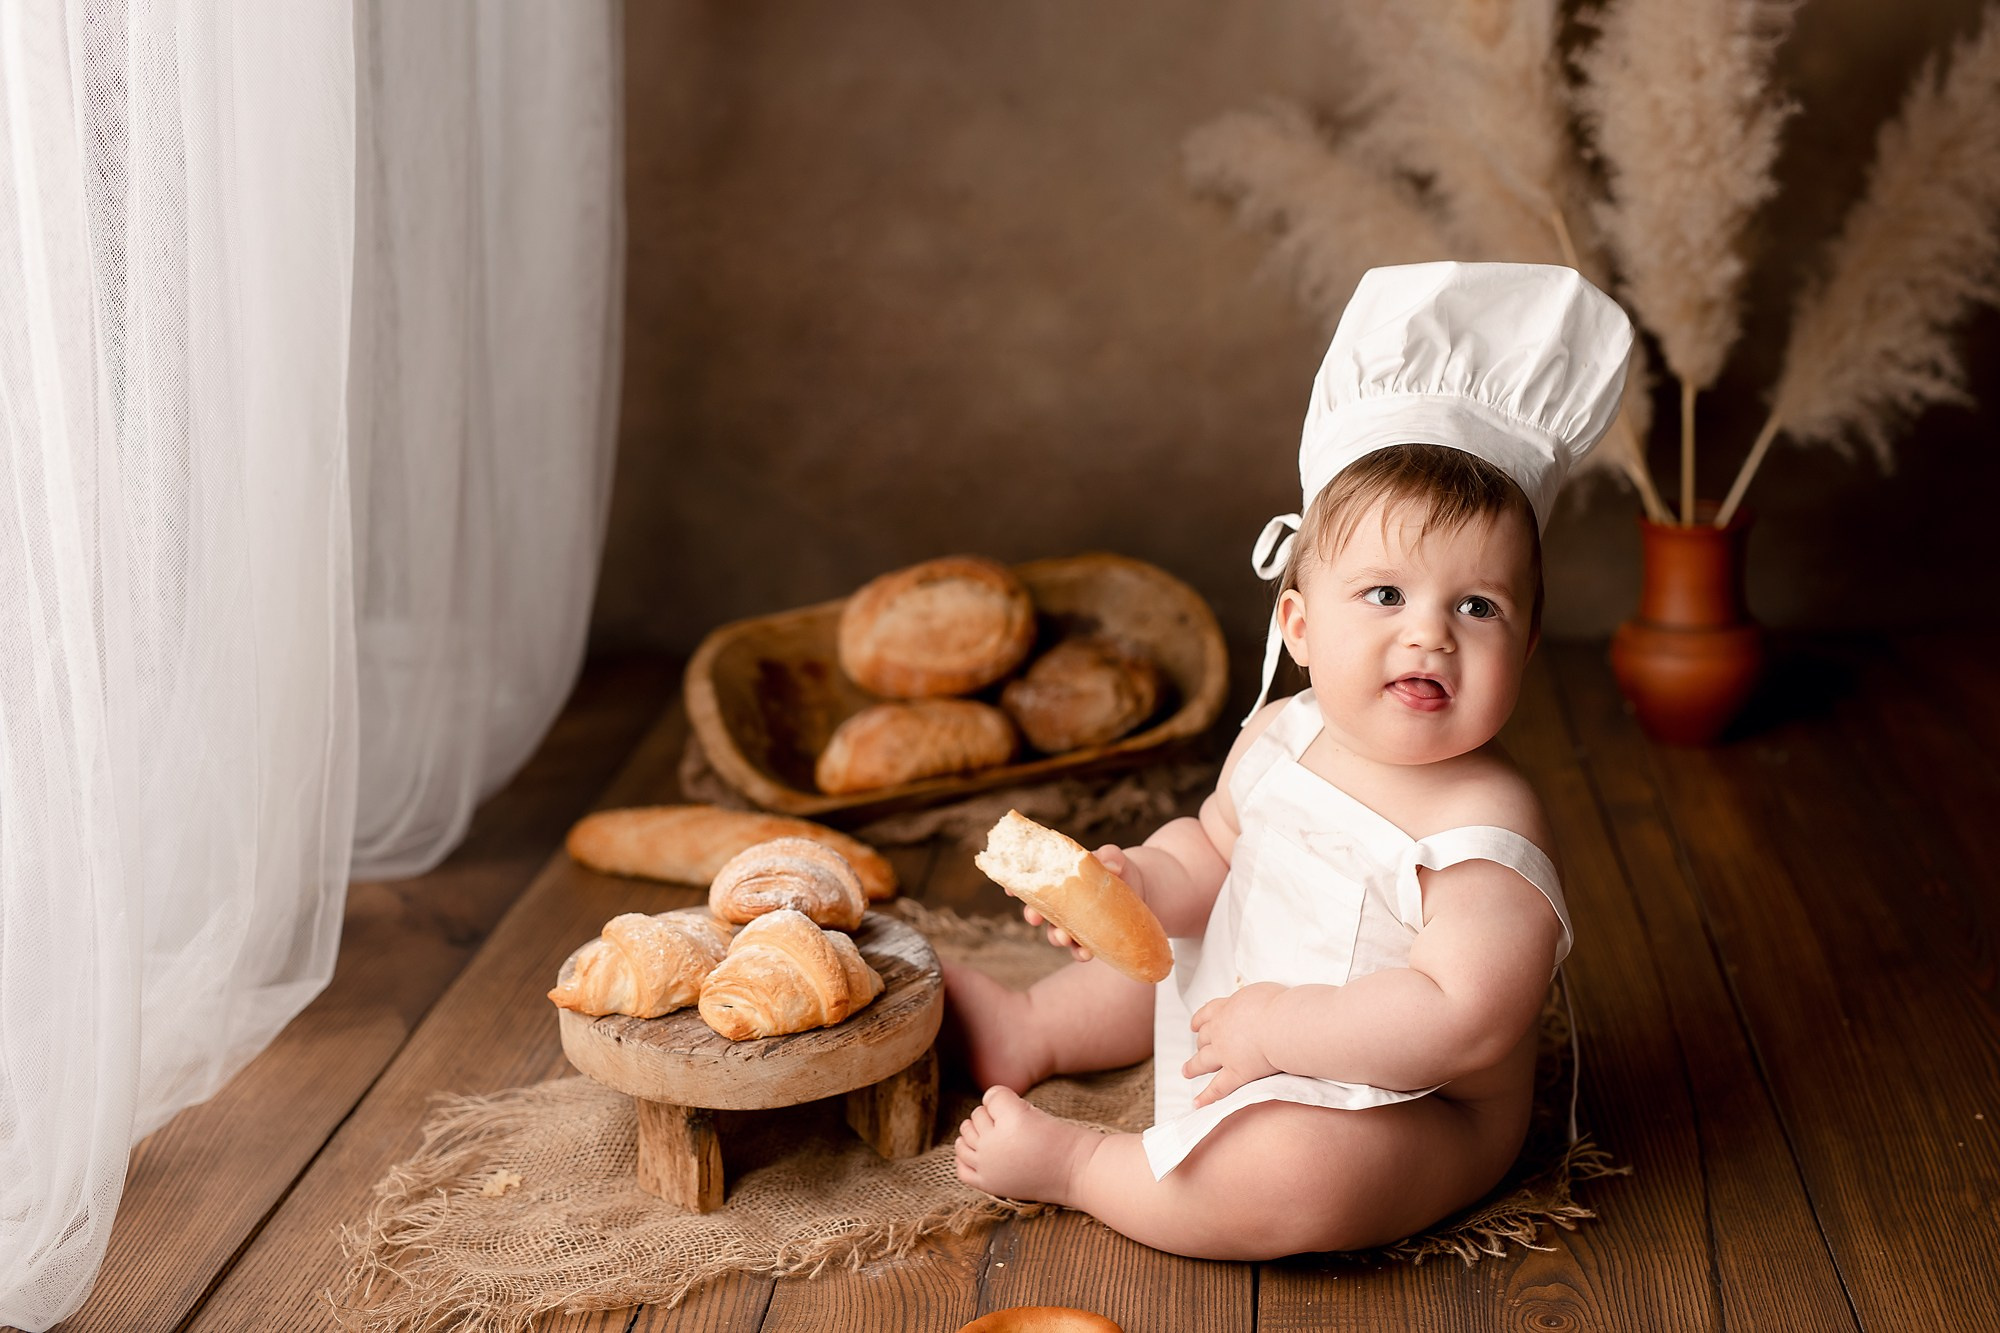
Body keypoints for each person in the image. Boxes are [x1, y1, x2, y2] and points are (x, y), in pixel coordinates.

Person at [943, 261, 1634, 1260]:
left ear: (1524, 647)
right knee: (1170, 949)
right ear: (1299, 625)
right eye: (1385, 595)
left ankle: (1084, 1170)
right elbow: (1211, 848)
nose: (1429, 637)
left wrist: (1280, 1033)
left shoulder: (1486, 825)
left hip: (1406, 1105)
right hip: (1245, 1014)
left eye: (1475, 606)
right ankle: (1032, 1028)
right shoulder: (1283, 734)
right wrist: (1139, 881)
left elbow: (1460, 1019)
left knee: (1301, 1174)